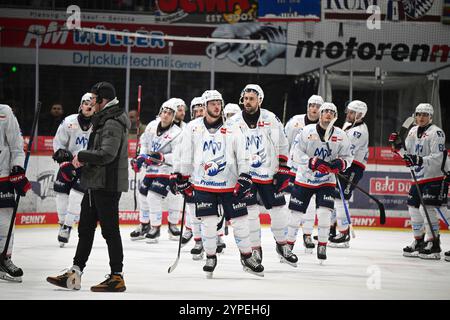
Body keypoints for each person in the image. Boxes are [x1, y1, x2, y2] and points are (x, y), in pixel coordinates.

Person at [47, 81, 130, 292]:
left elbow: (107, 154)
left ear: (103, 99)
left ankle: (117, 276)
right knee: (85, 229)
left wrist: (81, 156)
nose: (92, 102)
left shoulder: (112, 121)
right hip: (95, 182)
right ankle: (75, 272)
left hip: (107, 185)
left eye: (94, 98)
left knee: (110, 231)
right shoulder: (104, 118)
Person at [175, 89, 264, 278]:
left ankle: (247, 256)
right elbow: (185, 154)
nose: (217, 106)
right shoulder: (192, 127)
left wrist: (245, 176)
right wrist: (181, 177)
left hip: (230, 185)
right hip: (203, 184)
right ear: (205, 106)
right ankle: (210, 256)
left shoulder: (233, 127)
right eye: (213, 103)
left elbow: (243, 153)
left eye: (219, 103)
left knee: (240, 222)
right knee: (207, 223)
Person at [227, 84, 298, 267]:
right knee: (250, 214)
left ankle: (282, 245)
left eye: (252, 98)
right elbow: (227, 149)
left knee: (280, 211)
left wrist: (283, 168)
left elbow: (283, 144)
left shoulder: (271, 119)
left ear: (260, 100)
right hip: (245, 174)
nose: (248, 102)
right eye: (246, 98)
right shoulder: (233, 122)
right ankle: (255, 249)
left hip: (268, 172)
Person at [288, 102, 352, 263]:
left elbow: (348, 156)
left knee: (324, 214)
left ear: (335, 116)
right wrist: (311, 162)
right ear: (320, 114)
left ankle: (322, 244)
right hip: (304, 178)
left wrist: (341, 163)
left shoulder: (341, 135)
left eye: (332, 112)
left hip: (326, 180)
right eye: (325, 111)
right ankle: (287, 246)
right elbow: (295, 152)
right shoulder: (307, 131)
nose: (328, 114)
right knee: (296, 215)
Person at [389, 103, 447, 260]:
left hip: (435, 175)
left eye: (425, 115)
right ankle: (419, 241)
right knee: (413, 208)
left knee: (431, 209)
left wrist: (417, 159)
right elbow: (408, 156)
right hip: (420, 176)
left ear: (431, 117)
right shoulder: (413, 131)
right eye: (418, 114)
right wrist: (397, 147)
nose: (421, 117)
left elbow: (438, 157)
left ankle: (434, 244)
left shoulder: (437, 133)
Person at [129, 99, 183, 243]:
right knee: (142, 194)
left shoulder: (177, 133)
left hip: (167, 170)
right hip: (151, 169)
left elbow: (178, 155)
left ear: (173, 117)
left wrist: (162, 156)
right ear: (160, 112)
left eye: (170, 113)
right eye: (164, 112)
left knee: (153, 196)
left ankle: (156, 228)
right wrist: (140, 158)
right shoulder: (151, 126)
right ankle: (144, 224)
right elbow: (145, 145)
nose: (166, 115)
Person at [52, 93, 95, 247]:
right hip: (68, 164)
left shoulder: (99, 124)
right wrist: (62, 158)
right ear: (81, 105)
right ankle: (63, 223)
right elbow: (58, 143)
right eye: (85, 103)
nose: (88, 106)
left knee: (76, 196)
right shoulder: (69, 121)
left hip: (87, 167)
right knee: (61, 195)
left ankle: (67, 227)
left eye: (92, 103)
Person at [285, 94, 323, 253]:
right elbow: (284, 142)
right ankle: (288, 234)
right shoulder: (295, 122)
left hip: (313, 171)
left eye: (317, 106)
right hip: (294, 168)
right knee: (292, 204)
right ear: (307, 107)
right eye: (311, 105)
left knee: (312, 203)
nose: (313, 108)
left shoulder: (326, 126)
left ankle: (307, 234)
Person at [329, 100, 369, 248]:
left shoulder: (359, 131)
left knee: (340, 199)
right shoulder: (349, 125)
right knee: (334, 198)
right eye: (349, 111)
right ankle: (332, 230)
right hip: (345, 165)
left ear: (360, 115)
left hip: (353, 167)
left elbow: (346, 150)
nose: (348, 114)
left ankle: (344, 234)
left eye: (352, 112)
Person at [0, 104, 31, 283]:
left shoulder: (4, 112)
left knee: (5, 223)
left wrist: (17, 167)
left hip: (2, 176)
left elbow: (17, 146)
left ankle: (5, 259)